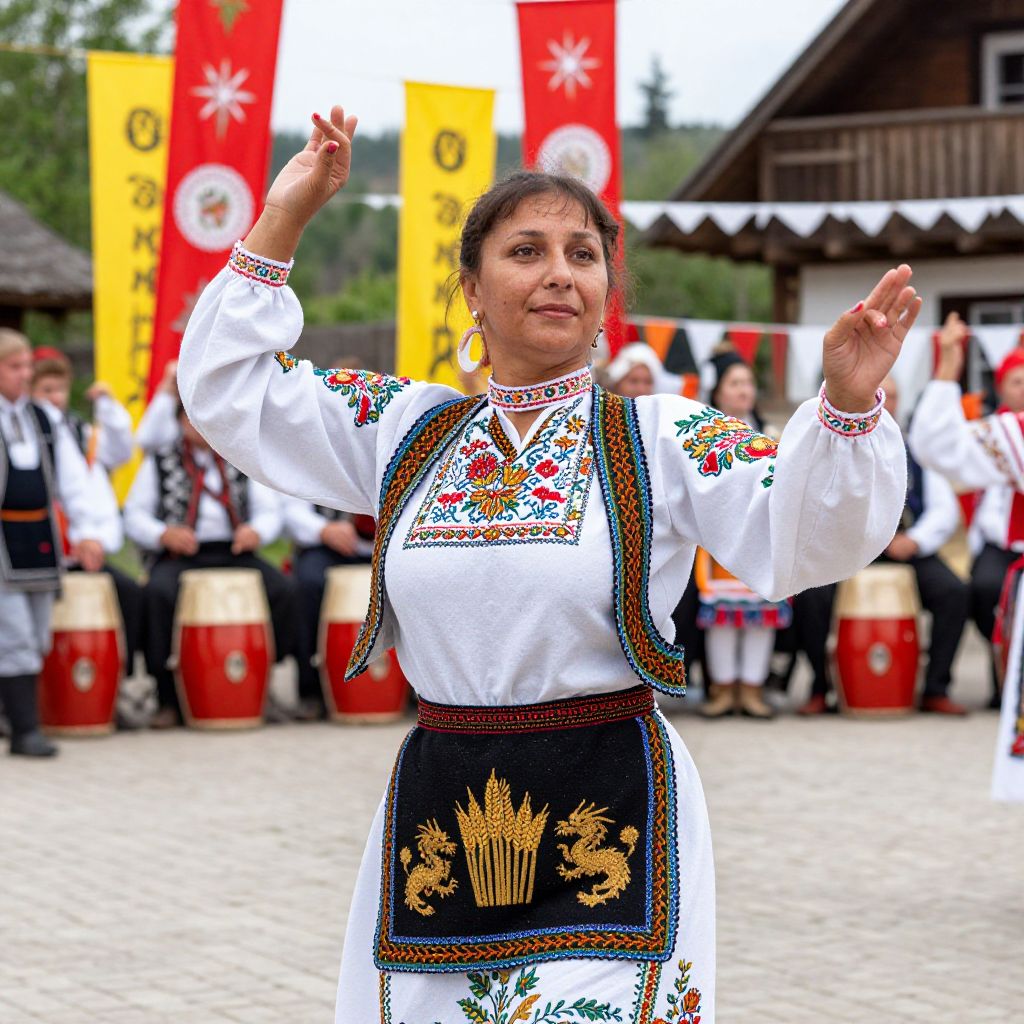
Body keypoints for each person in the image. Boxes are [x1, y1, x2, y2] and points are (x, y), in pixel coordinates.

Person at [178, 105, 913, 1021]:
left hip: (610, 813)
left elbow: (802, 534)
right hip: (444, 815)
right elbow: (232, 390)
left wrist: (846, 406)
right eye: (526, 251)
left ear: (606, 291)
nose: (560, 272)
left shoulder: (661, 437)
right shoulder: (407, 431)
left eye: (583, 254)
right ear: (472, 290)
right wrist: (283, 216)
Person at [796, 374, 969, 715]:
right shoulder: (832, 444)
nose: (886, 403)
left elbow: (944, 510)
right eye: (878, 394)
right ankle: (821, 687)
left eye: (892, 396)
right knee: (810, 596)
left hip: (901, 548)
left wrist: (915, 540)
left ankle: (935, 688)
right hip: (846, 550)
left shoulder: (916, 447)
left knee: (954, 592)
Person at [123, 403, 295, 728]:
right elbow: (134, 515)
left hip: (233, 551)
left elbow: (269, 510)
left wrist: (255, 531)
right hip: (182, 554)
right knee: (157, 594)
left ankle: (262, 682)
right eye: (191, 418)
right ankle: (167, 696)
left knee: (282, 590)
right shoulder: (159, 461)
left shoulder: (240, 456)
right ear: (180, 421)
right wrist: (163, 534)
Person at [0, 329, 107, 757]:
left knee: (38, 633)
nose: (25, 375)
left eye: (27, 366)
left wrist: (85, 532)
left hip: (40, 539)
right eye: (15, 367)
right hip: (2, 542)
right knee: (14, 635)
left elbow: (73, 480)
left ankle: (17, 718)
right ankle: (25, 731)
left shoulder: (43, 419)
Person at [910, 316, 1024, 707]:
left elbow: (937, 445)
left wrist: (948, 368)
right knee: (985, 591)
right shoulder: (1010, 431)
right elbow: (939, 449)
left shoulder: (1013, 434)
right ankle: (1003, 684)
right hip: (1002, 548)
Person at [30, 350, 142, 670]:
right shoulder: (28, 433)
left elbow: (120, 452)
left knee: (131, 595)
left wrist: (107, 407)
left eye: (60, 389)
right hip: (49, 551)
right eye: (46, 390)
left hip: (86, 547)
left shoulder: (78, 431)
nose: (55, 397)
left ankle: (117, 681)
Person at [694, 350, 788, 719]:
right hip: (717, 539)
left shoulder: (771, 436)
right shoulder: (703, 436)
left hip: (761, 539)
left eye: (748, 382)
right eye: (735, 383)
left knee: (760, 617)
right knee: (720, 618)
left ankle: (752, 688)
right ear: (717, 391)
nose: (744, 390)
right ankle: (722, 688)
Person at [282, 495, 372, 719]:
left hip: (387, 546)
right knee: (307, 585)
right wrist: (323, 529)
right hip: (324, 546)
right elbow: (291, 508)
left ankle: (416, 689)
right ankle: (310, 689)